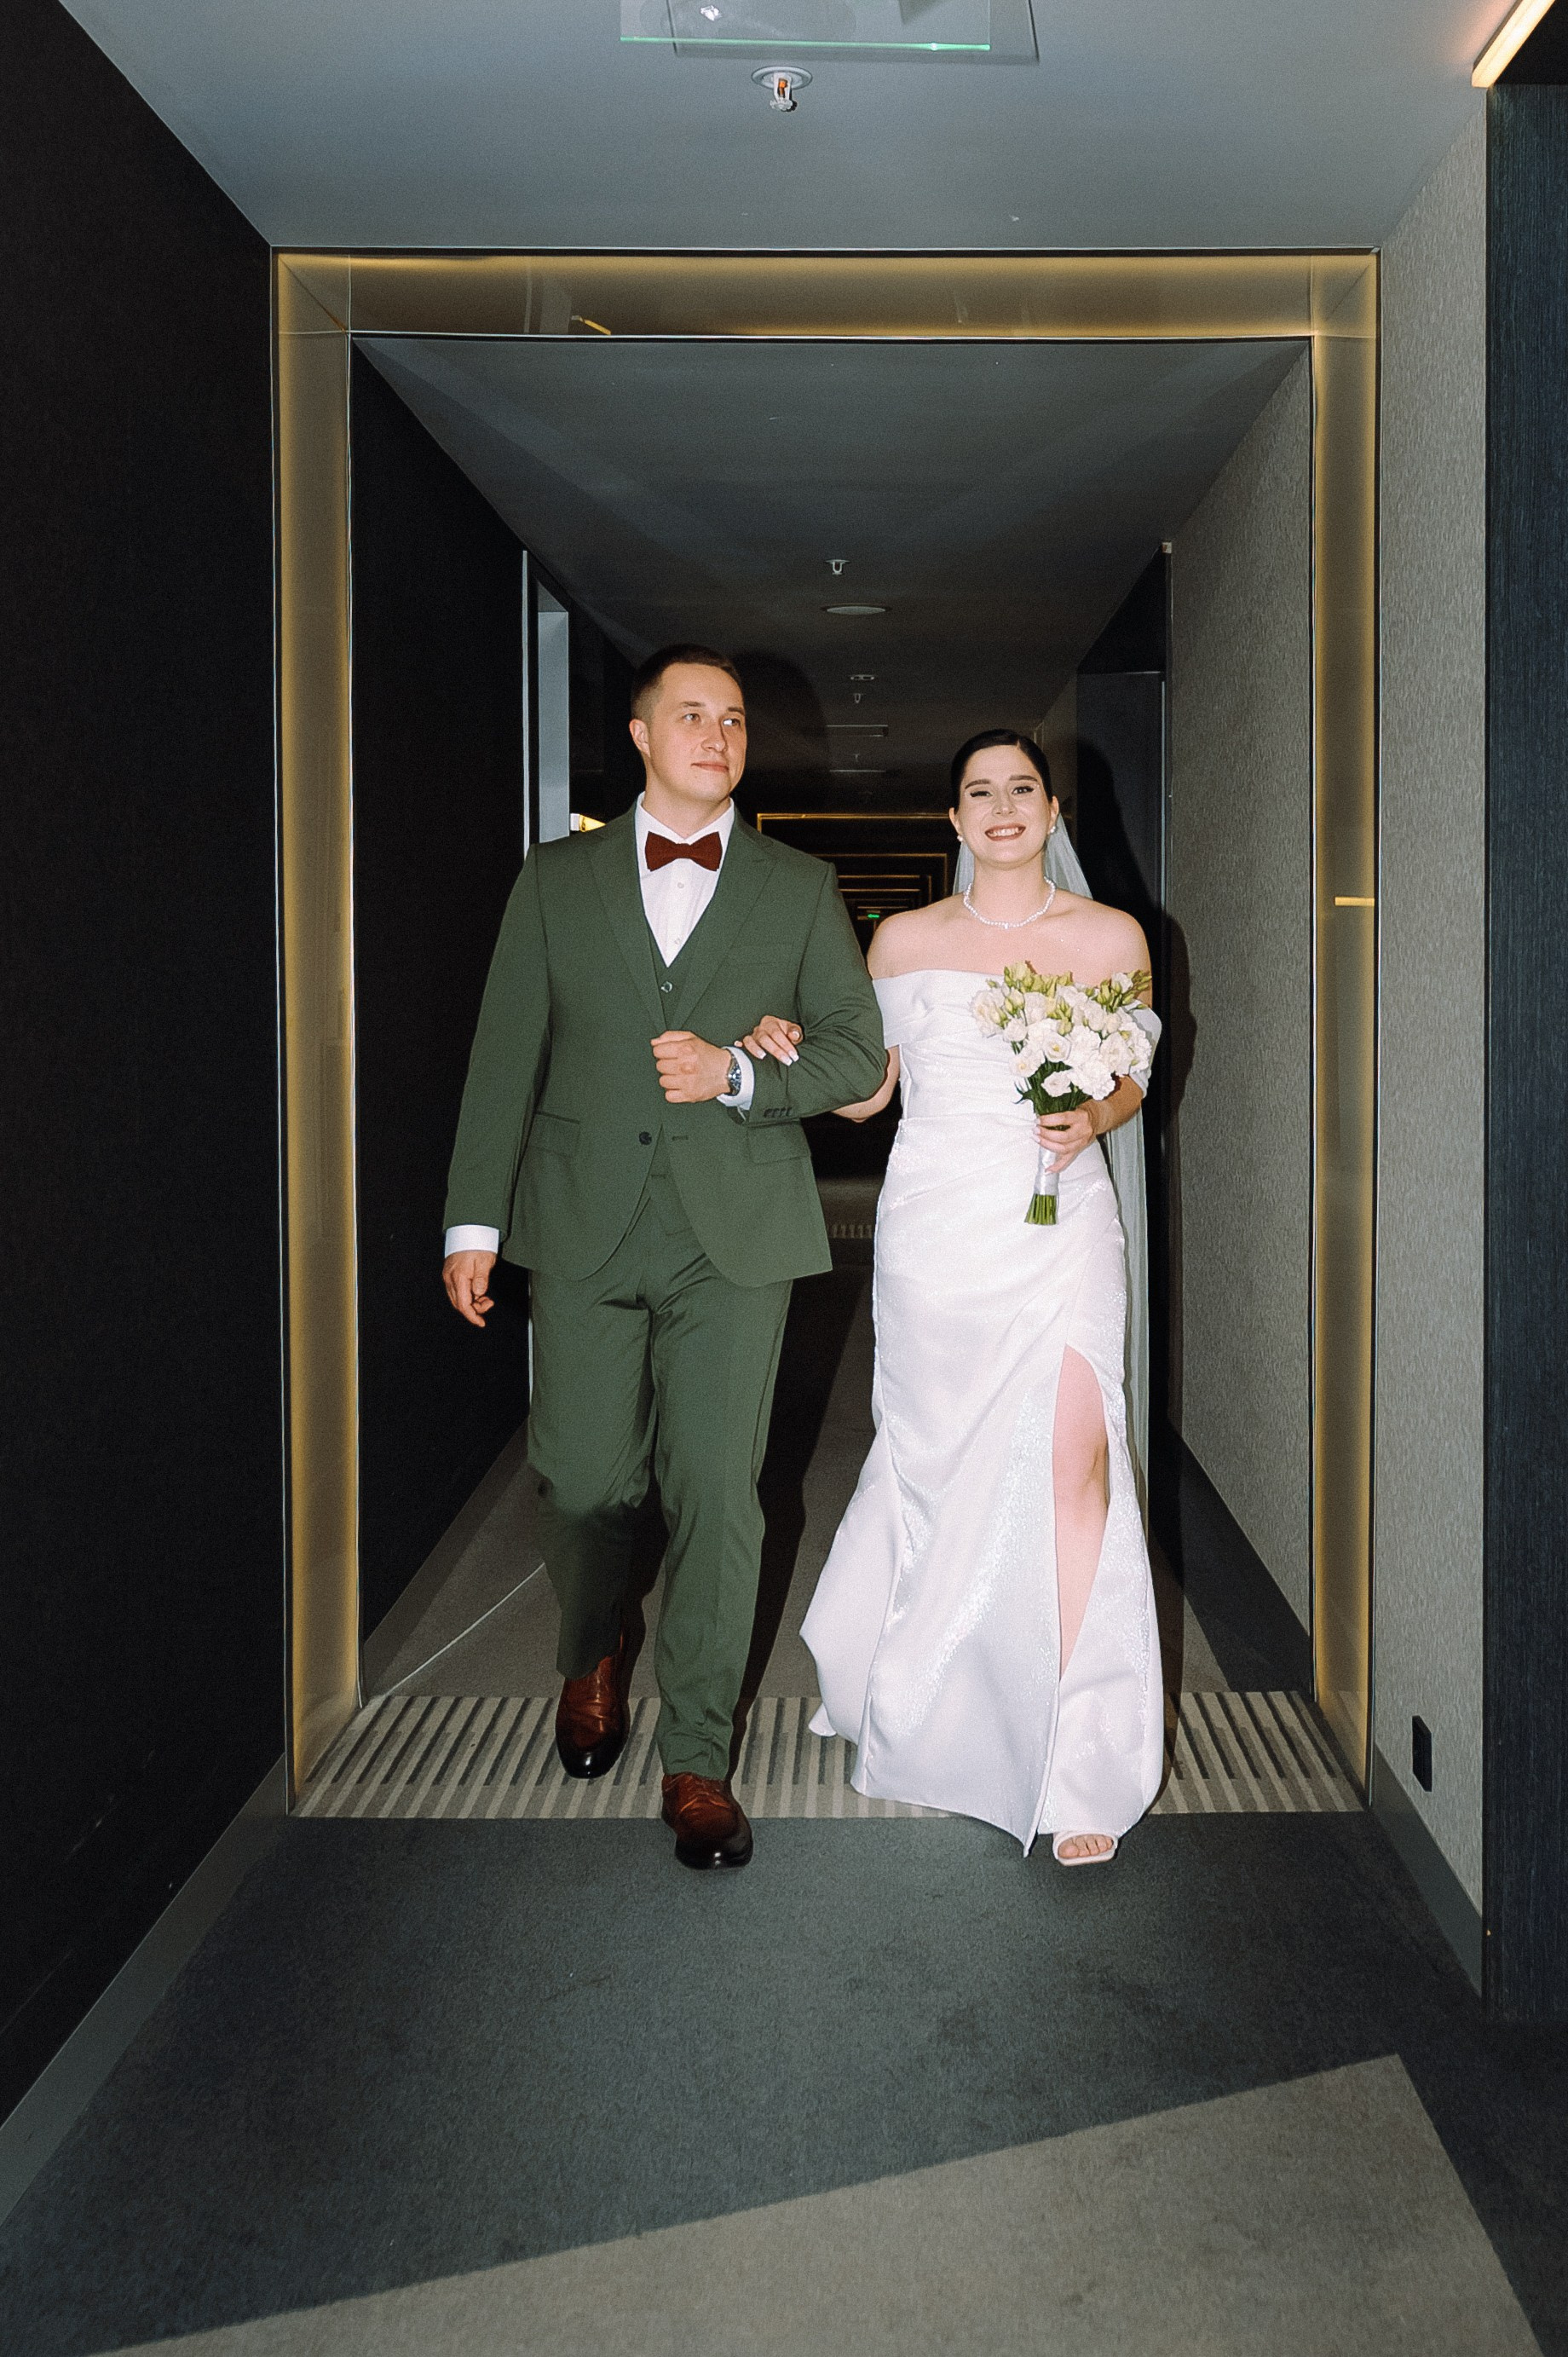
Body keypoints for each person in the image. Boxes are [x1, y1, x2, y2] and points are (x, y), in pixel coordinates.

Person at [441, 645, 885, 1872]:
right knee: (584, 1481)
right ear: (640, 735)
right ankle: (592, 1646)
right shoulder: (555, 878)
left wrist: (740, 1072)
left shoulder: (798, 885)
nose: (718, 734)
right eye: (692, 714)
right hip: (582, 1219)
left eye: (733, 719)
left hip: (735, 1231)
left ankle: (698, 1756)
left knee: (717, 1491)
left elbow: (857, 1054)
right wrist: (473, 1223)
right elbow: (503, 1055)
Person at [798, 730, 1165, 1863]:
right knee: (941, 1458)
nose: (1002, 806)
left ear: (1052, 811)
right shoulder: (902, 940)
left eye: (1021, 788)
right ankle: (935, 1696)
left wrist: (1092, 1115)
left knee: (1075, 1462)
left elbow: (1135, 1070)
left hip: (1066, 1228)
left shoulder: (1112, 935)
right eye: (978, 792)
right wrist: (792, 1048)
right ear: (954, 820)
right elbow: (869, 1095)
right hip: (936, 1235)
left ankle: (1079, 1752)